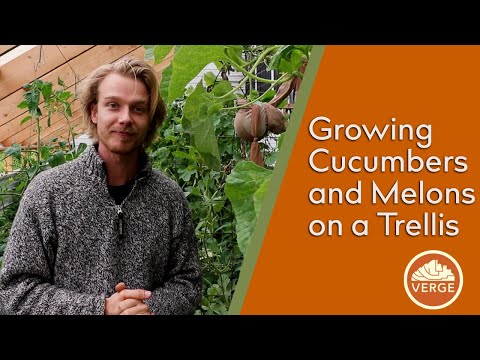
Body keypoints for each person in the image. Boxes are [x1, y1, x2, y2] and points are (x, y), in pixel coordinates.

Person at [0, 56, 202, 315]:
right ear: (94, 112)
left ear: (150, 119)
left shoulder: (169, 198)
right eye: (113, 105)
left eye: (138, 108)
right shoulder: (48, 193)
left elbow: (188, 282)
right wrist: (100, 309)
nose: (125, 118)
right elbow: (15, 291)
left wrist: (151, 309)